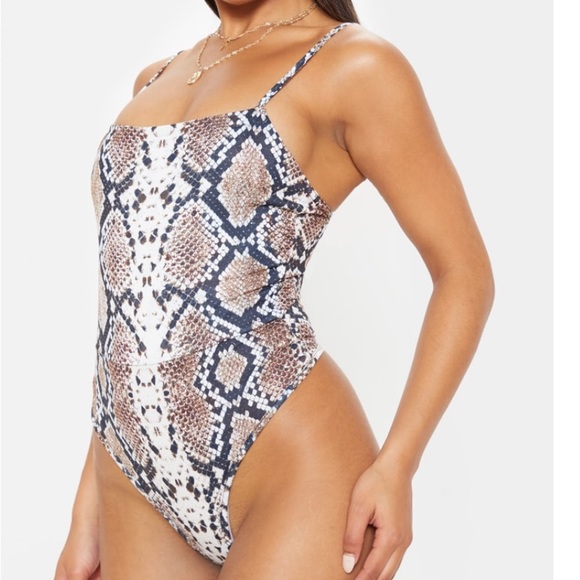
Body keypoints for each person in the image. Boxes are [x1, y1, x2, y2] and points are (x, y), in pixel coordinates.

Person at [54, 0, 494, 578]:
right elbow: (128, 304)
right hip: (133, 476)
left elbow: (464, 273)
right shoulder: (155, 78)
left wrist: (399, 463)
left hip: (288, 463)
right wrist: (88, 502)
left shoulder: (353, 65)